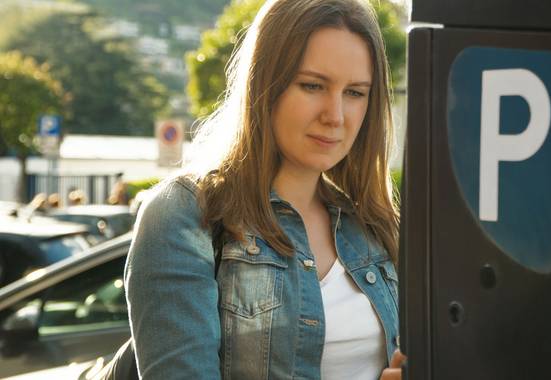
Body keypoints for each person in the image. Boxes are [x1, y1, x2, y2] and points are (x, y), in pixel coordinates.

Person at [125, 0, 405, 379]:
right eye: (312, 85)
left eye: (355, 92)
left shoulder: (374, 223)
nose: (335, 115)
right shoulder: (185, 213)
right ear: (264, 83)